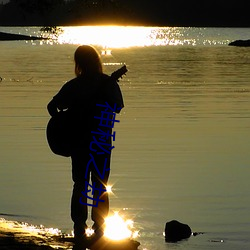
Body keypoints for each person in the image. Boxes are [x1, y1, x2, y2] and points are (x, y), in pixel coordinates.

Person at [47, 45, 124, 245]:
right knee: (100, 186)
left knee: (80, 184)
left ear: (79, 63)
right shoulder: (108, 83)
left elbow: (51, 106)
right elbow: (117, 107)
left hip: (78, 142)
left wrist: (64, 121)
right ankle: (99, 230)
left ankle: (79, 229)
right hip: (101, 141)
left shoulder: (74, 85)